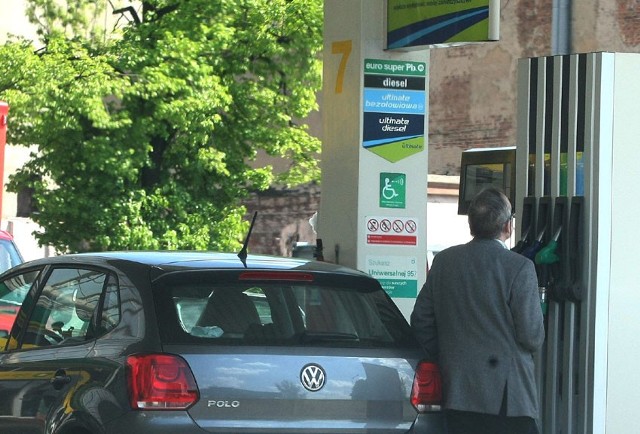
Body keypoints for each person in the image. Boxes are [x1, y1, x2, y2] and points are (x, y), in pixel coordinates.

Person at [411, 187, 545, 434]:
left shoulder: (444, 262)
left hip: (457, 392)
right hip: (508, 400)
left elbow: (420, 321)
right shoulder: (520, 268)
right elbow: (532, 337)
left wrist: (449, 358)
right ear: (507, 226)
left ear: (471, 225)